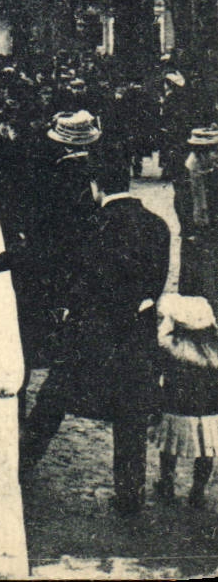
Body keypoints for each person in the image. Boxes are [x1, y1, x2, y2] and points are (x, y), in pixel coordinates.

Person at [20, 158, 170, 515]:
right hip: (136, 334)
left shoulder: (92, 225)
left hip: (90, 333)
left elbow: (78, 281)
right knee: (131, 418)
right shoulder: (157, 226)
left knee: (51, 404)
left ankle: (18, 469)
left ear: (95, 186)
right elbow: (155, 285)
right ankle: (129, 499)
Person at [156, 125, 218, 507]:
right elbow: (184, 207)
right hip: (197, 248)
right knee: (197, 297)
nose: (202, 155)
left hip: (207, 248)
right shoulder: (188, 171)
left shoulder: (197, 172)